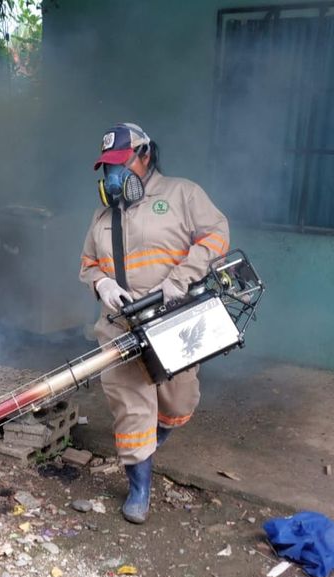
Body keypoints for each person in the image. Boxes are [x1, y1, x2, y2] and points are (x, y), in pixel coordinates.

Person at [79, 122, 229, 524]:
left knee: (179, 401)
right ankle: (139, 486)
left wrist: (180, 279)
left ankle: (151, 442)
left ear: (144, 155)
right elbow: (88, 264)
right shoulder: (102, 214)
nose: (113, 175)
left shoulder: (183, 194)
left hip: (174, 319)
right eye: (106, 167)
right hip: (120, 325)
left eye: (120, 163)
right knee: (132, 407)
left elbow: (217, 235)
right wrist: (102, 283)